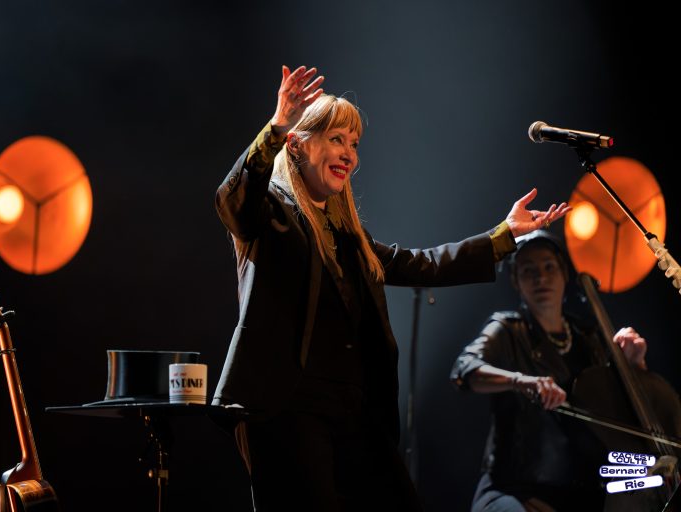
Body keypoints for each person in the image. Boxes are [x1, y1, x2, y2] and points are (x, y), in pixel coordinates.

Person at [214, 64, 569, 512]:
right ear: (299, 145)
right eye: (336, 139)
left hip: (350, 410)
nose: (348, 153)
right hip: (287, 409)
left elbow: (422, 264)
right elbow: (233, 201)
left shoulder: (348, 238)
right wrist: (276, 124)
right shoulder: (273, 215)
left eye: (354, 143)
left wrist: (504, 235)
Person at [450, 229, 654, 511]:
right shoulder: (507, 329)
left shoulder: (588, 337)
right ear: (516, 280)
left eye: (549, 267)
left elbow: (620, 414)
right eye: (529, 270)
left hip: (580, 492)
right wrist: (522, 381)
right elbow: (464, 370)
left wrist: (635, 367)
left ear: (564, 274)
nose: (541, 277)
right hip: (515, 489)